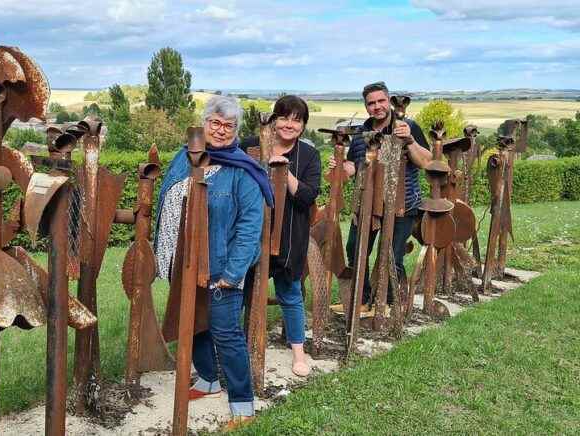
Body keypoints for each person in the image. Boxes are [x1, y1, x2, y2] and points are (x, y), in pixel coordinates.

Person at [154, 95, 272, 429]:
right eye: (215, 123)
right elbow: (169, 199)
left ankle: (243, 408)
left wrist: (233, 274)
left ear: (236, 130)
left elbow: (250, 227)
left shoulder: (242, 171)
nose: (220, 131)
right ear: (204, 123)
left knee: (226, 333)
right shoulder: (185, 156)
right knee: (192, 324)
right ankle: (207, 379)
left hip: (222, 268)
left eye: (228, 126)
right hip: (186, 263)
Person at [240, 95, 322, 377]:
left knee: (290, 292)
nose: (289, 125)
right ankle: (241, 345)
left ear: (303, 126)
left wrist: (283, 171)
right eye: (284, 117)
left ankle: (299, 352)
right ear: (273, 120)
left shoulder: (309, 155)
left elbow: (309, 195)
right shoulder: (249, 145)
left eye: (297, 120)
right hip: (250, 232)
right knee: (244, 289)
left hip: (289, 235)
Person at [334, 81, 431, 307]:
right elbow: (355, 166)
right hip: (367, 203)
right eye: (371, 103)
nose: (377, 106)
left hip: (402, 205)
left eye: (381, 101)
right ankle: (362, 298)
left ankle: (388, 304)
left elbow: (426, 162)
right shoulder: (360, 134)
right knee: (355, 249)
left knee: (391, 255)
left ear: (388, 101)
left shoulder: (407, 127)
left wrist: (410, 141)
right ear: (366, 106)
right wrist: (340, 166)